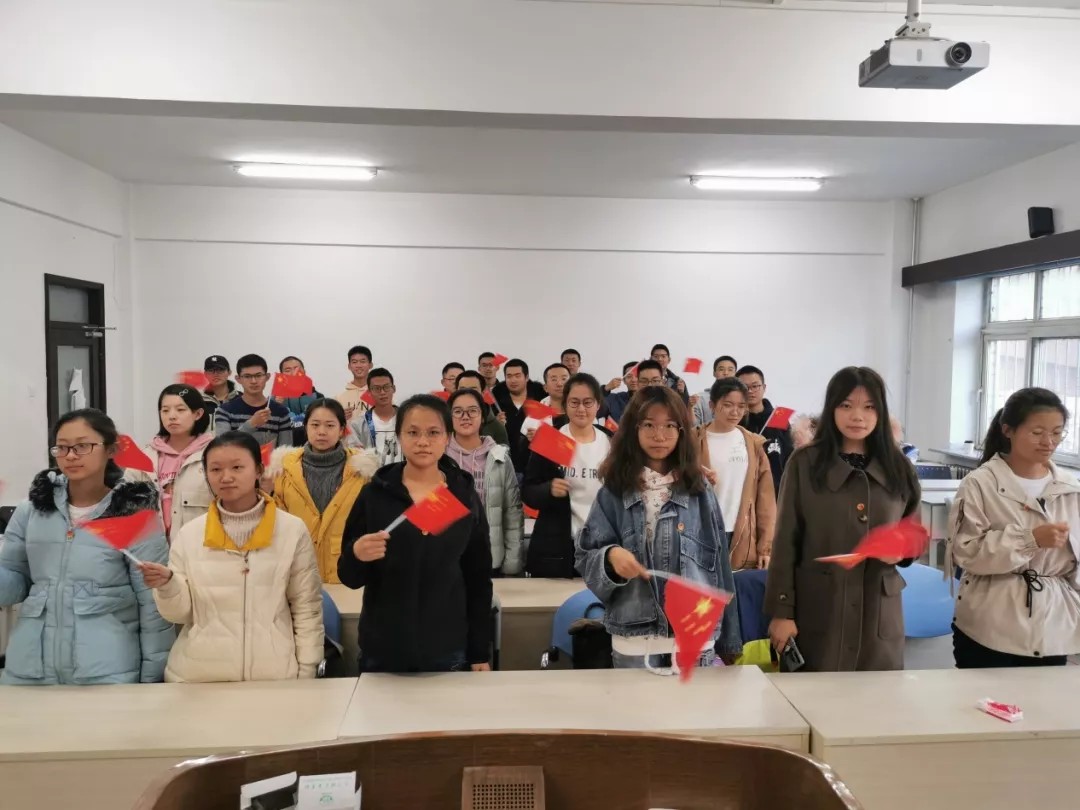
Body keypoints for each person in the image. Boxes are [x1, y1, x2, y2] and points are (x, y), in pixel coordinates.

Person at [0, 409, 174, 685]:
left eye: (82, 446)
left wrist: (153, 679)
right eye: (62, 447)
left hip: (107, 673)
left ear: (110, 449)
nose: (70, 456)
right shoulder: (31, 510)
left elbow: (153, 604)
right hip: (30, 671)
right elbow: (13, 582)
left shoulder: (133, 514)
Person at [765, 367, 921, 673]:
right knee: (815, 695)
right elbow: (785, 542)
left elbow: (913, 533)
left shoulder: (899, 466)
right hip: (820, 608)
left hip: (878, 611)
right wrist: (782, 611)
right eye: (846, 406)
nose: (857, 416)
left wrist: (902, 548)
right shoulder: (805, 463)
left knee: (877, 696)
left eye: (869, 407)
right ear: (832, 409)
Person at [576, 385, 741, 670]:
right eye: (649, 425)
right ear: (633, 430)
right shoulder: (614, 491)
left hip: (694, 637)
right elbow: (585, 556)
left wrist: (730, 639)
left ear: (681, 431)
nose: (659, 436)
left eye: (669, 426)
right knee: (635, 702)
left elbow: (720, 566)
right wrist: (610, 556)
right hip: (634, 638)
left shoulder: (699, 490)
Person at [139, 431, 324, 682]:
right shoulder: (191, 534)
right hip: (198, 678)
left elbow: (306, 608)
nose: (226, 477)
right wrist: (167, 586)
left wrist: (307, 670)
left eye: (237, 467)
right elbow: (178, 614)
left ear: (258, 470)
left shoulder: (291, 530)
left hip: (274, 677)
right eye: (215, 469)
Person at [338, 394, 494, 673]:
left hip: (447, 648)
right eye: (413, 432)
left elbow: (478, 578)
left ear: (447, 437)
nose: (423, 441)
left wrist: (479, 651)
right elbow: (349, 576)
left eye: (433, 433)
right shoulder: (375, 494)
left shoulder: (461, 496)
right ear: (399, 436)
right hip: (383, 648)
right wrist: (356, 554)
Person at [947, 388, 1080, 669]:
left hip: (1053, 626)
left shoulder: (1071, 488)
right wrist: (1030, 540)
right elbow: (967, 553)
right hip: (990, 623)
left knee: (1045, 696)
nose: (1048, 442)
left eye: (1057, 433)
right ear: (1008, 430)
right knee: (984, 696)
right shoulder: (980, 483)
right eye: (1037, 432)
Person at [269, 398, 379, 584]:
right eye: (315, 425)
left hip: (346, 574)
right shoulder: (284, 468)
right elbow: (277, 523)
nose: (321, 432)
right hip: (297, 573)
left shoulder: (362, 470)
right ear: (305, 427)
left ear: (342, 429)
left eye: (330, 425)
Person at [523, 373, 613, 578]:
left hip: (601, 545)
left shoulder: (610, 442)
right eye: (574, 402)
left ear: (598, 405)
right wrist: (548, 489)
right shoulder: (551, 438)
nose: (581, 409)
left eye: (587, 402)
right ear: (565, 404)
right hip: (558, 547)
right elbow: (528, 492)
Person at [696, 378, 776, 571]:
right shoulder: (693, 440)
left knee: (737, 588)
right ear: (712, 405)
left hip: (741, 534)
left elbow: (765, 499)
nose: (735, 412)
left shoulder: (753, 444)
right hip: (699, 532)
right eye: (727, 405)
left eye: (741, 406)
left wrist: (765, 547)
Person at [447, 388, 525, 576]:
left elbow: (512, 513)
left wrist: (512, 563)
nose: (465, 417)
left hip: (489, 558)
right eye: (458, 411)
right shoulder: (439, 458)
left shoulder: (499, 457)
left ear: (482, 417)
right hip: (448, 560)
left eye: (472, 411)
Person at [125, 384, 215, 541]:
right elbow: (125, 504)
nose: (172, 416)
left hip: (197, 546)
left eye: (180, 410)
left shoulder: (213, 455)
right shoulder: (144, 458)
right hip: (152, 548)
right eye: (165, 410)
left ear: (198, 414)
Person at [214, 354, 294, 448]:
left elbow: (286, 450)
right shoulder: (225, 411)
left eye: (258, 375)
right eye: (247, 376)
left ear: (267, 377)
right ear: (238, 379)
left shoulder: (281, 412)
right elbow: (222, 447)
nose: (253, 381)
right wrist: (251, 424)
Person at [737, 365, 793, 496]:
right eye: (744, 387)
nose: (750, 391)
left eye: (755, 386)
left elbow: (789, 454)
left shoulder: (779, 416)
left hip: (777, 491)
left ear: (764, 387)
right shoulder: (735, 420)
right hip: (743, 490)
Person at [492, 358, 541, 476]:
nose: (513, 380)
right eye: (509, 376)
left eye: (517, 376)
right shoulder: (495, 401)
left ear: (526, 377)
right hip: (505, 467)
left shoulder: (541, 399)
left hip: (535, 467)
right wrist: (496, 424)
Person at [348, 367, 402, 466]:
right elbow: (355, 456)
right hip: (373, 474)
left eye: (386, 387)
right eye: (377, 388)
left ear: (393, 389)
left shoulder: (407, 419)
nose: (382, 392)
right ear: (369, 392)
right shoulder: (358, 424)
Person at [277, 356, 324, 446]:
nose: (293, 373)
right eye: (287, 370)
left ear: (304, 372)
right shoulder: (273, 400)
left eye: (296, 368)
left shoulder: (318, 397)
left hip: (313, 448)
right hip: (284, 448)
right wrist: (276, 407)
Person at [455, 370, 510, 446]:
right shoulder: (446, 423)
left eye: (473, 390)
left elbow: (504, 453)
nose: (467, 394)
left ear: (483, 393)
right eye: (462, 389)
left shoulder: (496, 427)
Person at [692, 355, 738, 427]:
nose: (726, 373)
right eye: (721, 369)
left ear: (735, 374)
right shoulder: (700, 398)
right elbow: (694, 427)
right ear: (714, 373)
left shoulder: (741, 398)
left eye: (730, 370)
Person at [336, 345, 373, 422]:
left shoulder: (379, 394)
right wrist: (339, 418)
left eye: (363, 361)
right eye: (354, 362)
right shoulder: (339, 398)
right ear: (349, 366)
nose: (358, 366)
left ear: (370, 365)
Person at [200, 355, 240, 421]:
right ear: (205, 374)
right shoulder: (198, 401)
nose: (215, 374)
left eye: (220, 370)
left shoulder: (242, 399)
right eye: (211, 370)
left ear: (229, 372)